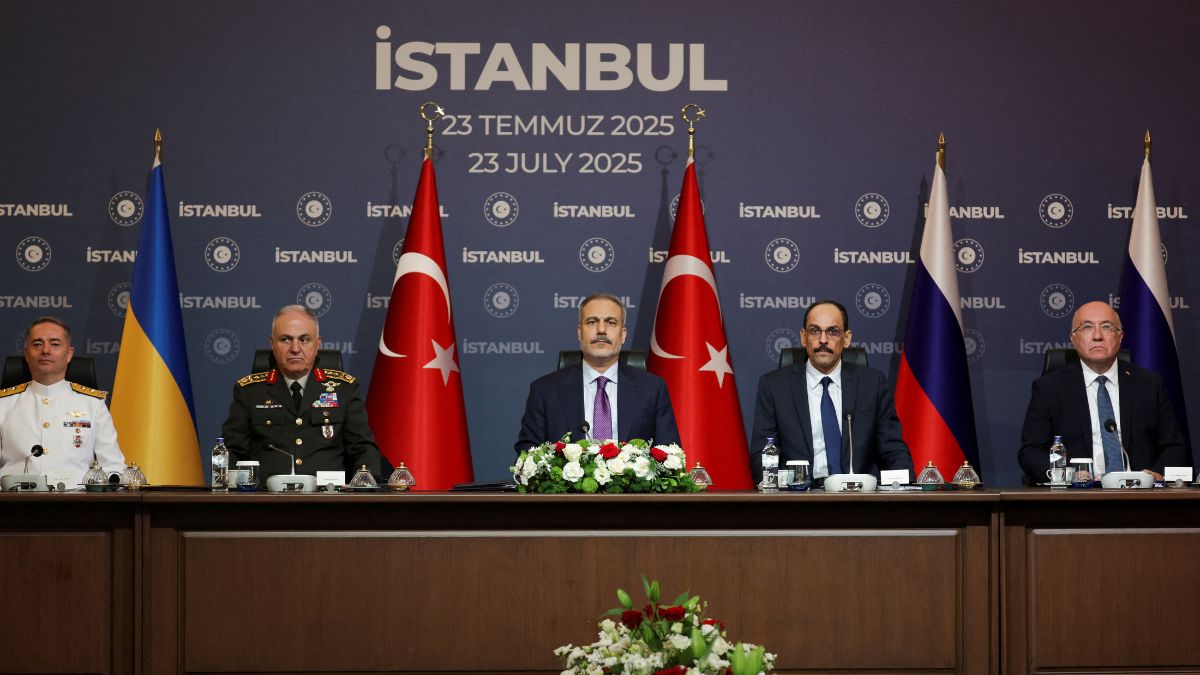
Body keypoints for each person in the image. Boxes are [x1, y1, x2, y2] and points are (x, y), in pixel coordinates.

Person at [1018, 300, 1187, 482]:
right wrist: (1067, 476)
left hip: (1138, 491)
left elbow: (1174, 447)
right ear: (1073, 338)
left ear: (1120, 336)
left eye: (1107, 327)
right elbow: (1031, 451)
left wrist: (1155, 475)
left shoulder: (1148, 384)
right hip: (1077, 492)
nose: (1097, 336)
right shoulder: (1050, 388)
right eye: (1087, 327)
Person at [749, 300, 912, 484]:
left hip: (860, 495)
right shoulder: (775, 386)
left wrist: (908, 488)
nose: (823, 340)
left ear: (847, 338)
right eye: (814, 331)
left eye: (833, 332)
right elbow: (763, 454)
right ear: (803, 337)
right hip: (799, 495)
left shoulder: (872, 384)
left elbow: (892, 448)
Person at [222, 305, 389, 480]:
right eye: (285, 339)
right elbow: (231, 451)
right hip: (266, 495)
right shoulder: (249, 392)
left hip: (329, 494)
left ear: (317, 344)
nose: (295, 348)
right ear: (272, 344)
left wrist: (363, 487)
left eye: (304, 339)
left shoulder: (344, 389)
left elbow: (363, 449)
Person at [516, 292, 680, 452]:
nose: (601, 330)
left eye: (611, 322)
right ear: (579, 333)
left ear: (623, 335)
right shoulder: (545, 391)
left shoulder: (652, 389)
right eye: (592, 322)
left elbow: (670, 455)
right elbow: (527, 454)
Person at [0, 316, 125, 485]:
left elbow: (113, 467)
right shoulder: (4, 403)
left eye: (55, 344)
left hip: (77, 499)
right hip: (13, 499)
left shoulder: (93, 404)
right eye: (37, 344)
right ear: (26, 354)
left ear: (69, 354)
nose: (45, 350)